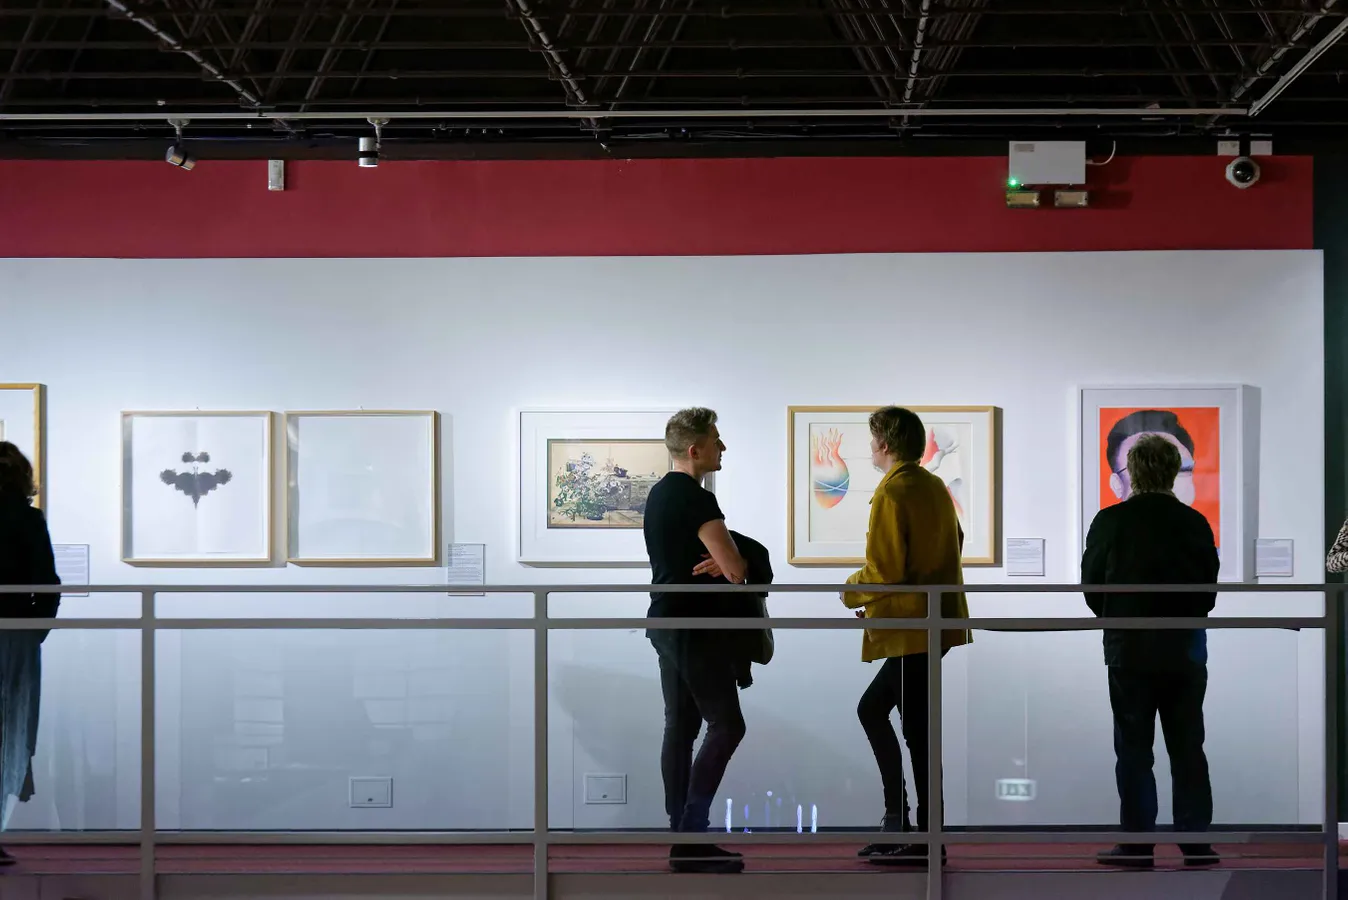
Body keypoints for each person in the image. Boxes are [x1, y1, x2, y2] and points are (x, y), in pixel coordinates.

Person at [1082, 433, 1219, 869]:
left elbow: (1092, 587)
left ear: (1133, 473)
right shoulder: (1193, 523)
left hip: (1129, 649)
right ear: (1171, 473)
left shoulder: (1110, 521)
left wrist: (1116, 617)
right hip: (1184, 649)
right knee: (1188, 747)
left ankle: (1138, 844)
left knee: (1134, 749)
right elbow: (1207, 592)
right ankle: (1196, 843)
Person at [840, 407, 970, 866]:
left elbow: (887, 570)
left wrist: (850, 591)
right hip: (929, 624)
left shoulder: (893, 490)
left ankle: (911, 830)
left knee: (895, 720)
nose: (869, 448)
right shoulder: (932, 485)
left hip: (913, 628)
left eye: (872, 439)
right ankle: (912, 827)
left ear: (886, 444)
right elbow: (954, 540)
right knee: (908, 724)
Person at [643, 408, 749, 874]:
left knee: (681, 727)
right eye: (716, 440)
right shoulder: (697, 499)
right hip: (694, 627)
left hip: (665, 623)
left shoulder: (660, 494)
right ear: (695, 450)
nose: (722, 447)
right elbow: (737, 570)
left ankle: (682, 837)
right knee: (727, 725)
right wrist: (734, 559)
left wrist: (723, 559)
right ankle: (692, 831)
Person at [0, 442, 60, 865]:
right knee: (10, 731)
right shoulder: (26, 518)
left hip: (18, 635)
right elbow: (48, 584)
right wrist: (33, 630)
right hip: (15, 637)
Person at [1104, 409, 1197, 505]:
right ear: (1117, 485)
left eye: (1181, 468)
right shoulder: (1108, 519)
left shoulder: (1195, 519)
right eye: (1142, 467)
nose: (1161, 480)